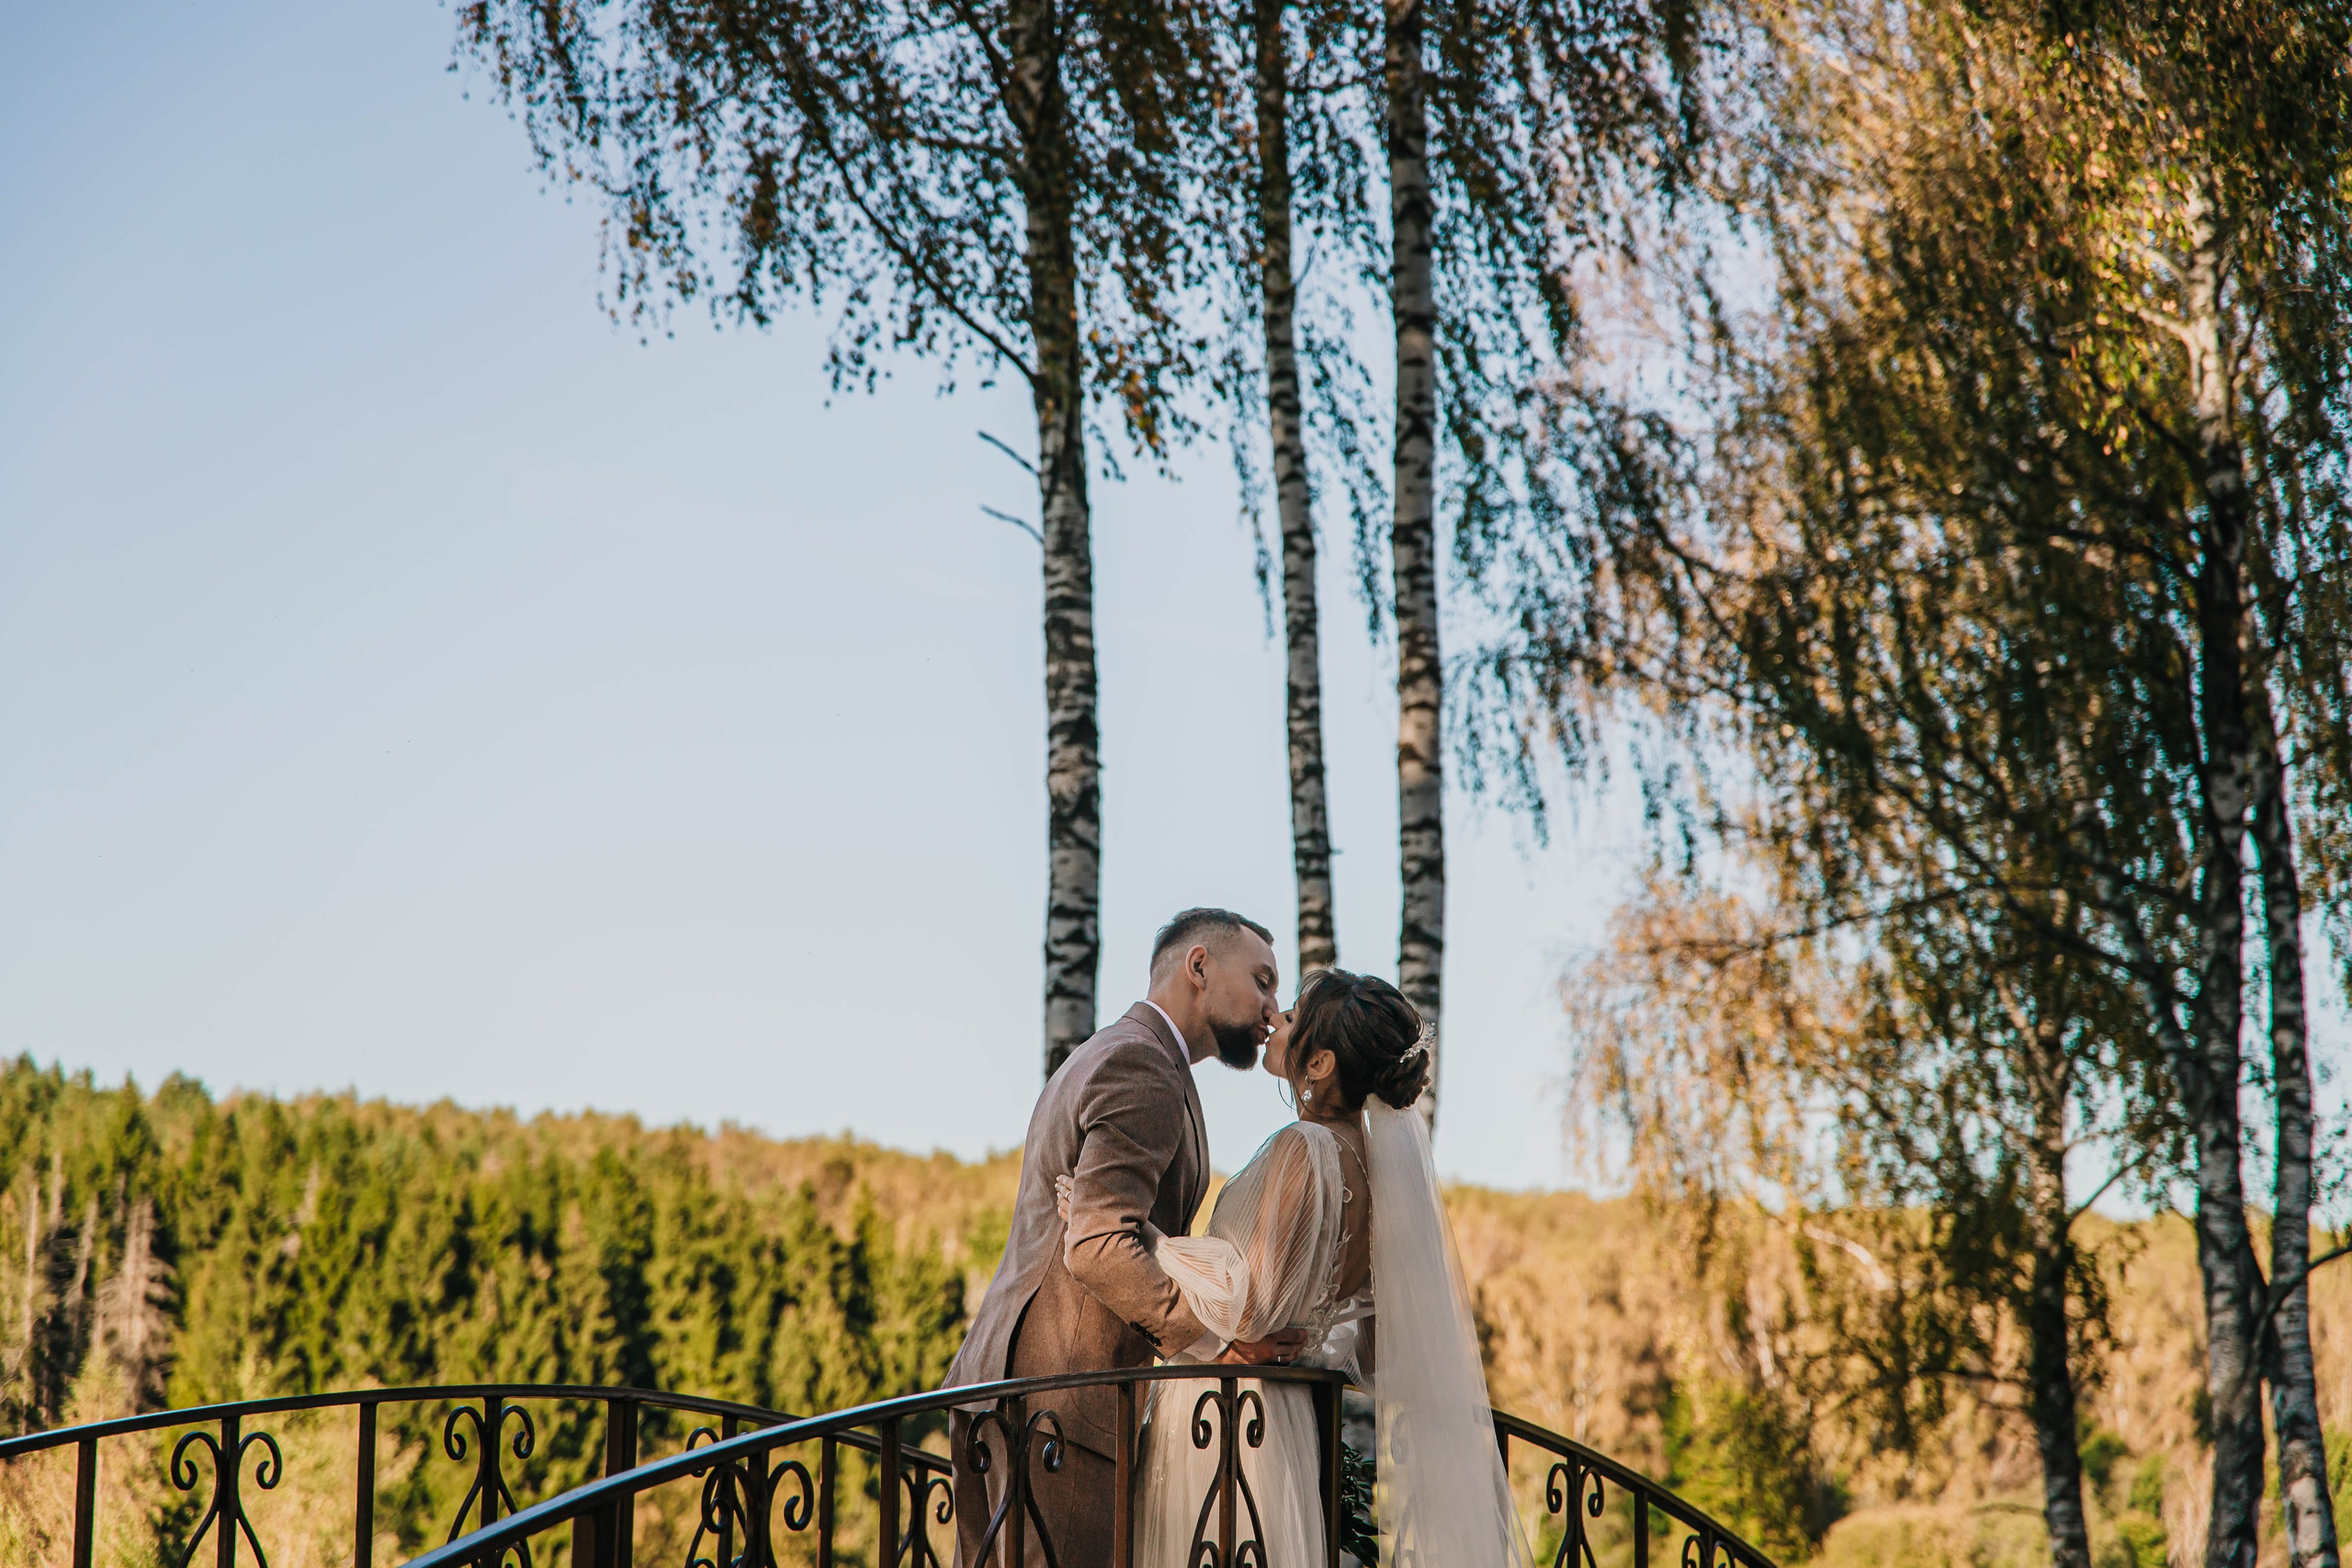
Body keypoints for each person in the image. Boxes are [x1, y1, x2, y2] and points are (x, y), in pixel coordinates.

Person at [1073, 968, 1532, 1568]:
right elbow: (1373, 1350)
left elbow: (1246, 1302)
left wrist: (1146, 1238)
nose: (1273, 1022)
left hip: (1229, 1412)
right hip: (1286, 1420)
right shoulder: (1376, 1174)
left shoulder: (1303, 1146)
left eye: (1289, 1016)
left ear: (1318, 1064)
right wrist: (1306, 1340)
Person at [942, 908, 1306, 1568]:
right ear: (1199, 966)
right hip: (1062, 1413)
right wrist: (1214, 1345)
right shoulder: (1140, 1064)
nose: (1271, 1008)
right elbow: (1099, 1243)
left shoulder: (1116, 1051)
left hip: (1010, 1396)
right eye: (1262, 980)